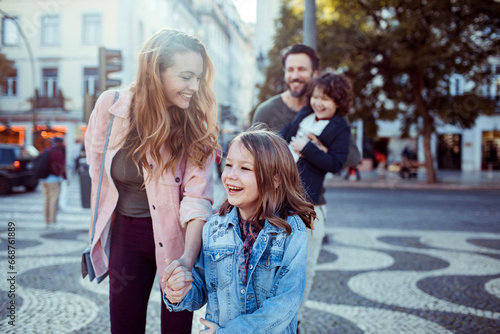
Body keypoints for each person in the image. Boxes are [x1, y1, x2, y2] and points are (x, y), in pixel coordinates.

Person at [84, 29, 218, 334]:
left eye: (198, 77)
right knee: (124, 325)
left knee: (176, 329)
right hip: (124, 238)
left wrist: (187, 259)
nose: (194, 87)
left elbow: (198, 200)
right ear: (156, 72)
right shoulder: (111, 107)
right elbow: (97, 172)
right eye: (186, 77)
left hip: (179, 241)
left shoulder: (197, 125)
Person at [162, 128, 316, 333]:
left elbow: (285, 305)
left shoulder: (291, 231)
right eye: (228, 165)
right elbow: (200, 290)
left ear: (276, 179)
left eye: (245, 168)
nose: (231, 175)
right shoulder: (213, 228)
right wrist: (178, 290)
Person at [280, 71, 352, 326]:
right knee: (277, 266)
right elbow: (282, 137)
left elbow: (336, 162)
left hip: (310, 207)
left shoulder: (341, 127)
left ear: (339, 102)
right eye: (317, 97)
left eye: (327, 99)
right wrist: (309, 144)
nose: (319, 103)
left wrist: (307, 148)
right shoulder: (304, 115)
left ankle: (294, 321)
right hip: (280, 200)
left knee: (304, 268)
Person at [252, 44, 319, 132]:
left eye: (301, 69)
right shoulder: (265, 112)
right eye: (290, 70)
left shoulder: (324, 109)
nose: (295, 76)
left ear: (315, 73)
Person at [40, 136, 66, 228]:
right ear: (59, 143)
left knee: (46, 200)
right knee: (53, 201)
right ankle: (52, 222)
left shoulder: (46, 150)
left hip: (43, 179)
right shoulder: (57, 152)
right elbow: (62, 166)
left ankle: (46, 221)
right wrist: (65, 177)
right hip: (53, 179)